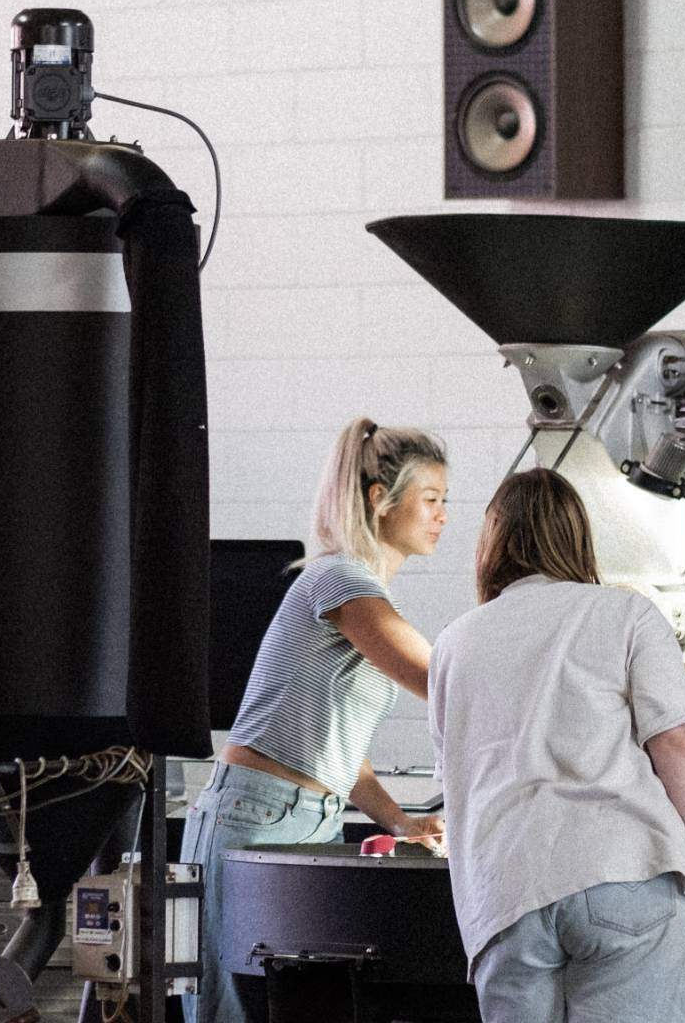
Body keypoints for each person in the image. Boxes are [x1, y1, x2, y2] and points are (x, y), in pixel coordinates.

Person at [430, 468, 685, 1022]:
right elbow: (677, 747)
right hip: (624, 876)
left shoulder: (453, 643)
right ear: (578, 537)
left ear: (491, 542)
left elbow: (455, 778)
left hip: (505, 900)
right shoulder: (625, 613)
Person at [181, 417, 450, 1023]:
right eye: (431, 499)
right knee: (234, 1012)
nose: (442, 516)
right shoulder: (337, 578)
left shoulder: (360, 593)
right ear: (381, 500)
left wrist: (402, 823)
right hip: (256, 813)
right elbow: (439, 679)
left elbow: (343, 755)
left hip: (311, 820)